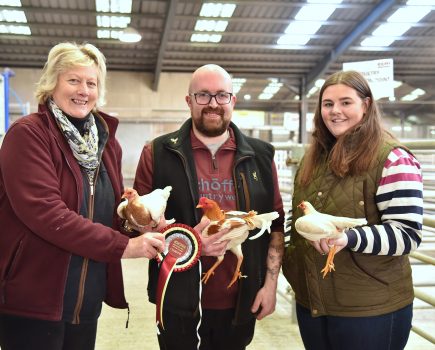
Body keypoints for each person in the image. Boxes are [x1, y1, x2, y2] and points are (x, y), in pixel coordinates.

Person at [0, 42, 166, 350]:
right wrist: (124, 246)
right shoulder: (28, 135)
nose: (83, 91)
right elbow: (47, 214)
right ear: (52, 83)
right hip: (34, 298)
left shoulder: (105, 143)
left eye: (91, 83)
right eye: (73, 80)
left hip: (86, 297)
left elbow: (109, 211)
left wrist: (136, 223)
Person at [134, 64, 285, 350]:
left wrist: (270, 286)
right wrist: (187, 243)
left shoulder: (262, 156)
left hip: (241, 300)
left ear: (232, 101)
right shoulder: (157, 153)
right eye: (203, 95)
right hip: (178, 300)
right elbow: (134, 228)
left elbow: (275, 225)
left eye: (221, 95)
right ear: (189, 100)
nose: (213, 104)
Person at [282, 70, 423, 350]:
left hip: (369, 308)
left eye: (346, 102)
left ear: (366, 105)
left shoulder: (392, 158)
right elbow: (296, 216)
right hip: (313, 302)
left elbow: (406, 234)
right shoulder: (315, 159)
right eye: (328, 104)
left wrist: (347, 239)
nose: (335, 111)